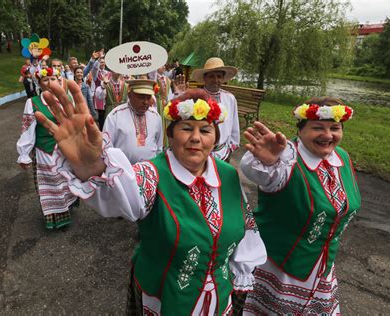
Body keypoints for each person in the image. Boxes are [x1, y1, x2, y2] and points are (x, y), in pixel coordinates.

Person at [33, 84, 267, 315]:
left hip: (218, 298)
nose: (196, 138)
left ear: (216, 138)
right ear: (170, 134)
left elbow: (245, 229)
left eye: (205, 130)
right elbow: (125, 195)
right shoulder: (152, 174)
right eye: (186, 128)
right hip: (161, 297)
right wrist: (93, 166)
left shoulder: (227, 175)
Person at [239, 97, 361, 315]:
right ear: (301, 129)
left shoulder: (341, 158)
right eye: (317, 128)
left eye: (335, 128)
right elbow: (253, 169)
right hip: (281, 268)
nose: (327, 135)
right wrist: (270, 160)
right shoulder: (286, 159)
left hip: (322, 269)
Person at [16, 67, 78, 230]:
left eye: (53, 79)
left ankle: (68, 208)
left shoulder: (66, 100)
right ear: (39, 83)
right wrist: (24, 154)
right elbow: (27, 129)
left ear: (59, 81)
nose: (50, 83)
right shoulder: (33, 102)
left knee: (67, 180)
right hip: (46, 151)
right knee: (53, 184)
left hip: (66, 149)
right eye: (45, 80)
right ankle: (56, 218)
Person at [191, 57, 240, 162]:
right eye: (211, 76)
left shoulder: (230, 98)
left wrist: (232, 146)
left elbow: (234, 124)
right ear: (205, 78)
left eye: (219, 76)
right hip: (201, 151)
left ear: (223, 78)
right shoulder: (196, 98)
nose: (216, 80)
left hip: (224, 152)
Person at [102, 79, 162, 164]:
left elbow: (159, 147)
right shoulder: (115, 116)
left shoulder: (155, 116)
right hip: (124, 171)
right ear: (130, 95)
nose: (145, 102)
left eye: (148, 97)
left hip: (150, 171)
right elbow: (106, 149)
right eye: (141, 97)